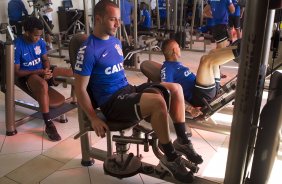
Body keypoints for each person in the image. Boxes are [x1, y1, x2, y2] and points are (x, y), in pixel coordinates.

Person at [74, 1, 202, 183]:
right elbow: (79, 89)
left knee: (175, 88)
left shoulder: (115, 41)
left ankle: (182, 141)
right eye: (113, 20)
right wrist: (93, 118)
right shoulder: (88, 50)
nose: (118, 24)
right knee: (158, 103)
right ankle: (171, 158)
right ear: (98, 19)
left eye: (118, 19)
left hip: (127, 90)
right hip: (112, 102)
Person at [14, 17, 73, 141]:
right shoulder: (17, 45)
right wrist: (40, 72)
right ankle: (49, 124)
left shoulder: (40, 41)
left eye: (40, 35)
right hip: (28, 75)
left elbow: (45, 59)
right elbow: (17, 72)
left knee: (69, 71)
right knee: (42, 85)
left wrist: (46, 70)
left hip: (41, 70)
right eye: (36, 35)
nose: (38, 38)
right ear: (27, 32)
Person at [160, 39, 240, 117]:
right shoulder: (167, 68)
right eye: (178, 47)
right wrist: (190, 109)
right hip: (200, 97)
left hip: (204, 90)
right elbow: (166, 93)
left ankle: (238, 47)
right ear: (174, 50)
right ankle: (240, 51)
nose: (180, 48)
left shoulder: (175, 64)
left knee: (212, 52)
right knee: (205, 60)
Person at [203, 0, 235, 78]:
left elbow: (205, 11)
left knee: (219, 49)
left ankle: (214, 69)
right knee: (221, 51)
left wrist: (213, 16)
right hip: (222, 25)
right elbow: (233, 10)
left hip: (215, 25)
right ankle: (214, 71)